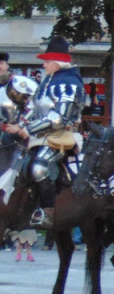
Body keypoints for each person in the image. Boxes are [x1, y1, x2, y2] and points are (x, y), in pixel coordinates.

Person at [2, 36, 86, 229]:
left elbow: (60, 118)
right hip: (41, 136)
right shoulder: (48, 81)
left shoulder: (70, 84)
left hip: (61, 136)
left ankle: (48, 212)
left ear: (58, 62)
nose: (44, 64)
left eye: (47, 61)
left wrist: (26, 129)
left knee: (39, 167)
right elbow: (34, 107)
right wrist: (20, 123)